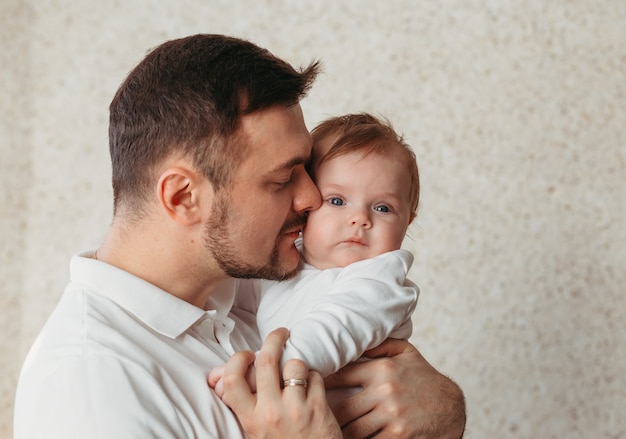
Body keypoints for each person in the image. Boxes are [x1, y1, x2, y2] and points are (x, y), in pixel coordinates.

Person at [14, 34, 465, 438]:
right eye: (283, 178)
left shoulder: (242, 288)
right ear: (183, 196)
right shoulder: (91, 390)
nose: (311, 198)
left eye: (306, 170)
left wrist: (443, 413)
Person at [209, 113, 421, 405]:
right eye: (337, 201)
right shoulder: (288, 262)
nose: (360, 219)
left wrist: (264, 370)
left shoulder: (381, 280)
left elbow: (335, 329)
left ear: (407, 222)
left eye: (383, 208)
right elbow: (234, 298)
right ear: (308, 204)